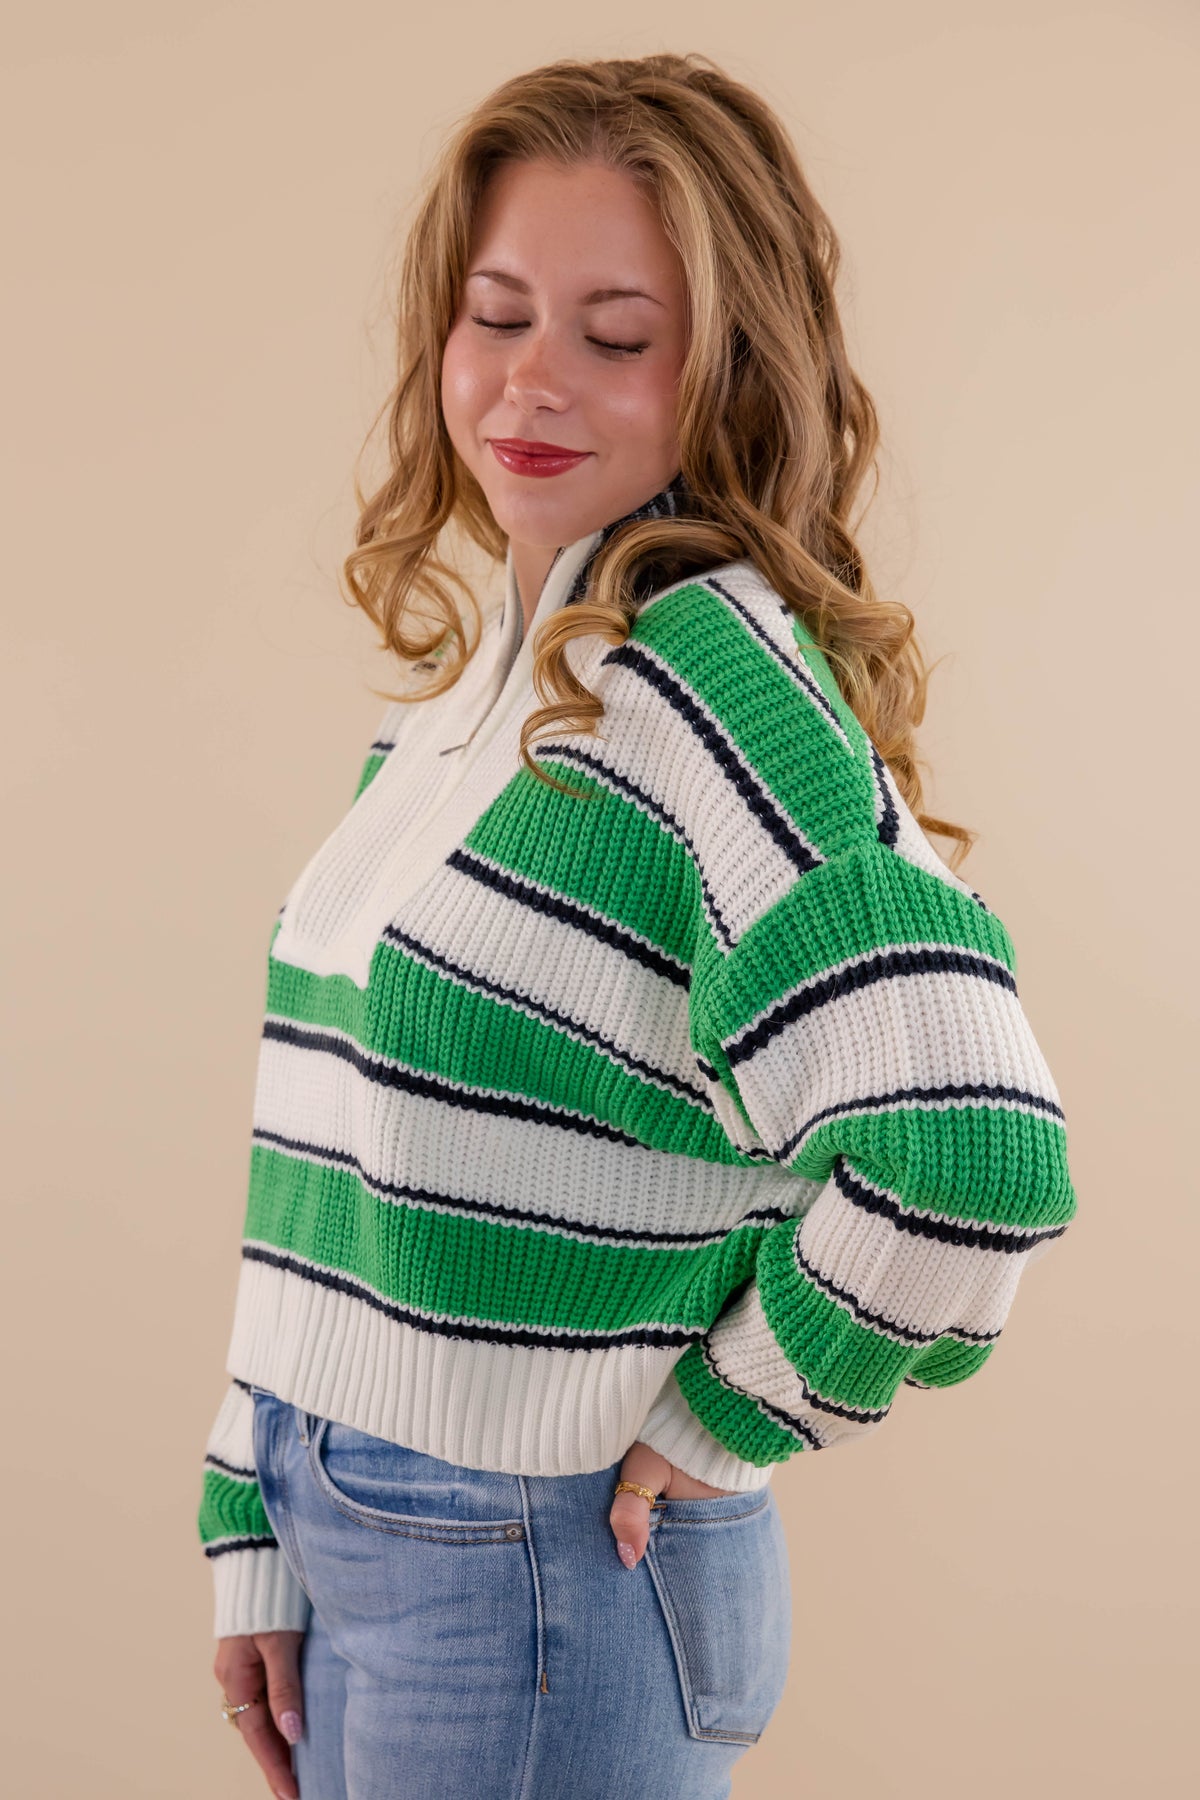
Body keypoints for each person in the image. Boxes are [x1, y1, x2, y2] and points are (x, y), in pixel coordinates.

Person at [197, 50, 1078, 1800]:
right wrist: (258, 1516)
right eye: (497, 315)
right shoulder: (482, 696)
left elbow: (974, 1152)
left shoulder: (707, 683)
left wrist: (734, 1410)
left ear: (730, 371)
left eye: (618, 337)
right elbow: (336, 1141)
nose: (532, 381)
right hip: (365, 1531)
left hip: (540, 1576)